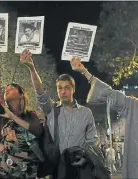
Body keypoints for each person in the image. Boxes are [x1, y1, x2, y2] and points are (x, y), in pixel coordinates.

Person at [20, 49, 110, 179]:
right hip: (57, 170)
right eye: (60, 88)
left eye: (67, 88)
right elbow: (41, 93)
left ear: (73, 89)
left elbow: (92, 141)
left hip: (80, 170)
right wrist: (32, 69)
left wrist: (85, 158)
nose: (63, 91)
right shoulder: (51, 109)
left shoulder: (85, 113)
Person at [0, 45, 43, 179]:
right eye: (6, 89)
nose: (7, 89)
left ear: (21, 95)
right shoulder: (0, 112)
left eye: (12, 87)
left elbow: (36, 131)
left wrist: (12, 117)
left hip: (25, 173)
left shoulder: (30, 115)